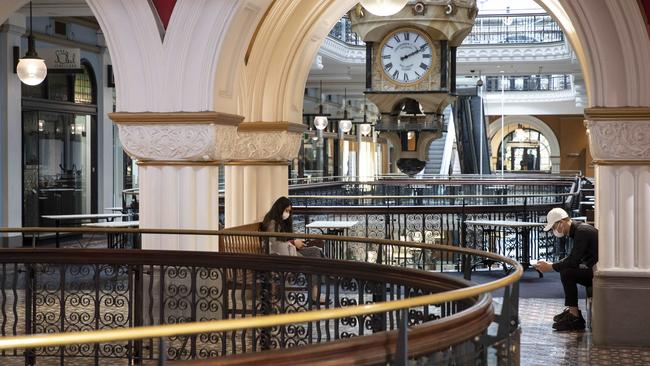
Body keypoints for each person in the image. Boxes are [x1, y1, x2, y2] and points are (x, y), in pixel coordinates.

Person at [535, 207, 598, 331]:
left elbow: (573, 261)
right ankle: (572, 311)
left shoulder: (582, 231)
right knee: (567, 271)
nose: (554, 230)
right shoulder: (578, 230)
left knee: (567, 273)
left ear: (562, 223)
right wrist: (552, 265)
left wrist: (550, 266)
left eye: (554, 227)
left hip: (600, 274)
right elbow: (574, 259)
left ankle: (575, 317)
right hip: (594, 268)